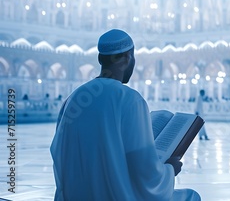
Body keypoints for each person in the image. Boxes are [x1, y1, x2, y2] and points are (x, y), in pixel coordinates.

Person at [50, 29, 200, 201]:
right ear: (129, 58)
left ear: (100, 59)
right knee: (191, 197)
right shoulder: (130, 100)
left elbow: (58, 153)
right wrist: (169, 170)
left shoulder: (73, 99)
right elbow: (145, 174)